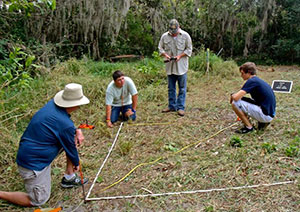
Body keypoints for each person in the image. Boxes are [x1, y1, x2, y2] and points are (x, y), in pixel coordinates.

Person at [0, 83, 90, 206]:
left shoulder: (52, 105)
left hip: (32, 151)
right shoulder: (65, 124)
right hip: (33, 163)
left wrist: (76, 130)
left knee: (71, 139)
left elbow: (62, 127)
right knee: (38, 200)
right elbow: (69, 143)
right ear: (74, 105)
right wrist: (76, 163)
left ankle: (69, 178)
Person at [158, 19, 193, 116]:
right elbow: (160, 48)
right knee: (171, 88)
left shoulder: (185, 36)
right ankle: (171, 106)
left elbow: (189, 49)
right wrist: (165, 55)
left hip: (181, 66)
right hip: (170, 66)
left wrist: (180, 56)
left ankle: (180, 107)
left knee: (182, 88)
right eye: (171, 31)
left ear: (179, 27)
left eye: (175, 31)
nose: (173, 33)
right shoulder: (164, 36)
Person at [230, 62, 276, 134]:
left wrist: (232, 95)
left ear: (248, 72)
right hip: (269, 113)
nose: (241, 75)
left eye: (242, 73)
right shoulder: (257, 80)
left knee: (235, 103)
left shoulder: (251, 81)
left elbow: (236, 98)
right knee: (241, 100)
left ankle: (249, 127)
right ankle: (261, 122)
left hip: (266, 115)